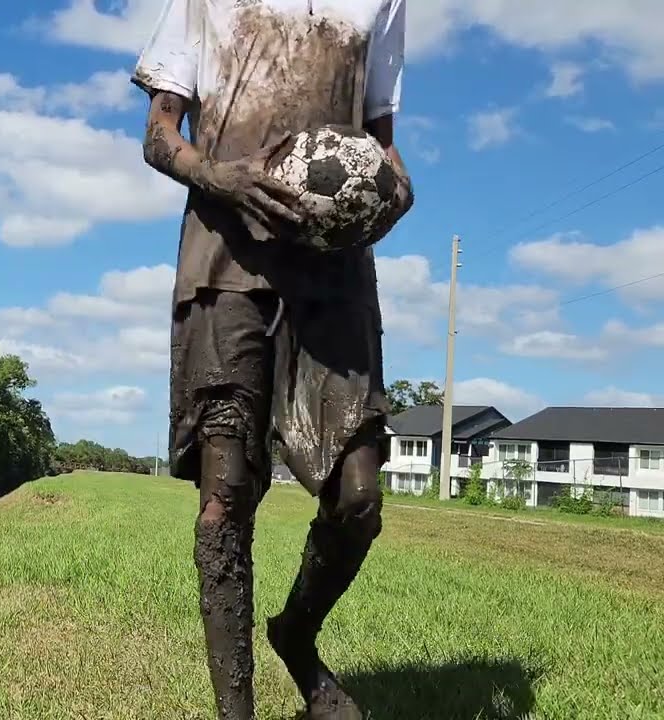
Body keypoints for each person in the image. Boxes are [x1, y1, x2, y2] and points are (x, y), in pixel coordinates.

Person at [131, 1, 414, 719]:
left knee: (358, 499)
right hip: (226, 263)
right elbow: (159, 134)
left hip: (335, 276)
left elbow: (383, 148)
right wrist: (221, 177)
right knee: (224, 504)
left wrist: (396, 191)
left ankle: (296, 634)